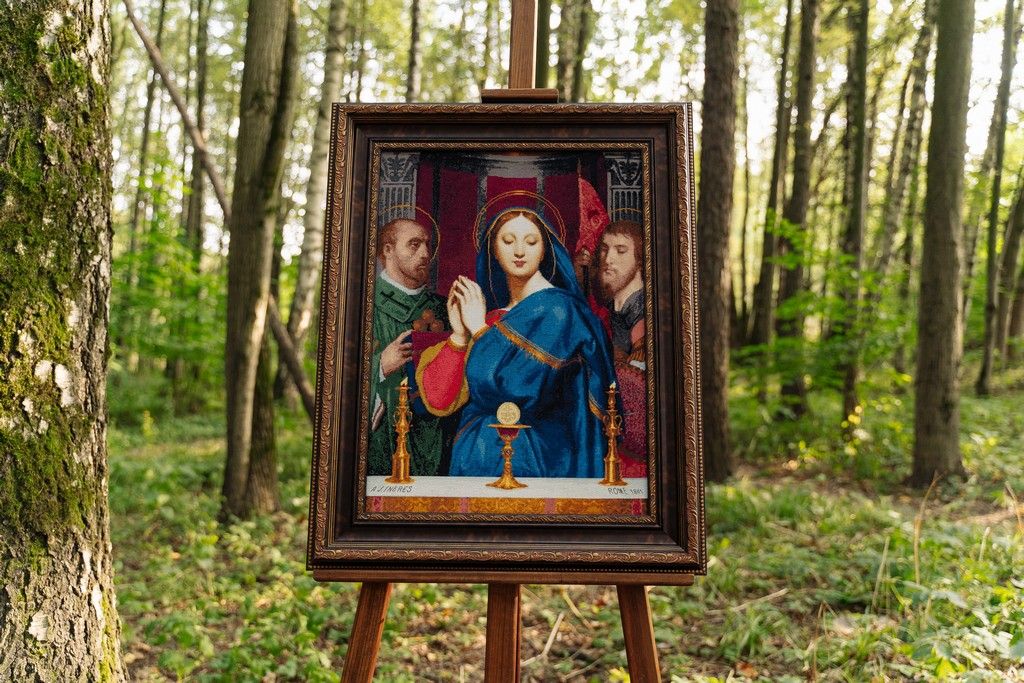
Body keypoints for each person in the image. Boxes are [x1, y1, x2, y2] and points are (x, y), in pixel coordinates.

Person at [415, 208, 618, 478]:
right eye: (508, 241)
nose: (520, 251)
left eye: (531, 242)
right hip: (476, 458)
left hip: (540, 459)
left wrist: (478, 330)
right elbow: (440, 401)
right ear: (494, 251)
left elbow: (516, 390)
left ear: (544, 250)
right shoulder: (493, 319)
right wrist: (460, 336)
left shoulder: (561, 311)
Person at [369, 217, 448, 476]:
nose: (425, 254)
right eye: (414, 245)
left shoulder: (445, 309)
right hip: (384, 444)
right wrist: (380, 366)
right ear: (388, 250)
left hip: (437, 442)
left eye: (427, 245)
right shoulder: (363, 304)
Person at [597, 220, 645, 364]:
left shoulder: (643, 312)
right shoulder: (607, 308)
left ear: (640, 260)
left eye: (621, 251)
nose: (608, 259)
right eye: (604, 249)